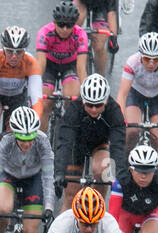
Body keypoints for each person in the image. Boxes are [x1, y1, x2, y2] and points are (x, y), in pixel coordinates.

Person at [0, 25, 42, 188]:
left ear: (24, 51)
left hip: (18, 99)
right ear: (3, 49)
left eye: (19, 52)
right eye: (10, 51)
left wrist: (34, 128)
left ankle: (7, 163)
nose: (14, 56)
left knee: (16, 131)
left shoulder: (31, 62)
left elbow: (37, 99)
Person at [53, 73, 127, 209]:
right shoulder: (74, 110)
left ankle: (98, 205)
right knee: (70, 195)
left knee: (103, 171)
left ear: (105, 101)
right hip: (76, 146)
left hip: (100, 143)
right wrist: (59, 172)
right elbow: (64, 142)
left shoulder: (114, 110)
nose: (93, 109)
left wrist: (120, 175)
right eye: (89, 104)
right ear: (82, 101)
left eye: (98, 105)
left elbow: (118, 145)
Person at [115, 32, 158, 166]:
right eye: (146, 59)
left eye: (156, 59)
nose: (151, 63)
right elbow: (122, 94)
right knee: (132, 132)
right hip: (136, 94)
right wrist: (120, 117)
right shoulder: (132, 62)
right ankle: (125, 167)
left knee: (157, 138)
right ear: (141, 56)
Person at [34, 1, 89, 135]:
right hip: (49, 67)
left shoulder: (81, 35)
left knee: (72, 99)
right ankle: (41, 140)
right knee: (45, 104)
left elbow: (81, 68)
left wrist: (87, 94)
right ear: (54, 22)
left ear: (75, 24)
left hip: (70, 67)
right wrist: (34, 89)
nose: (65, 29)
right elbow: (40, 64)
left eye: (69, 25)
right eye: (61, 24)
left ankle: (68, 134)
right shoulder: (44, 33)